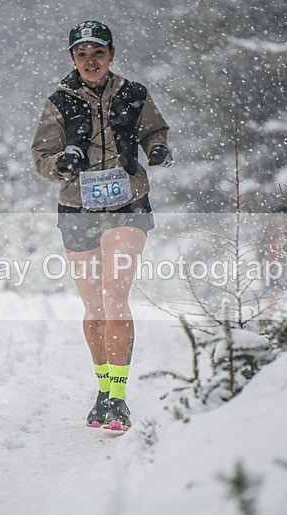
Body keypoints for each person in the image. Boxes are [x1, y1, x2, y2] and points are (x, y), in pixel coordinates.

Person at [31, 20, 172, 431]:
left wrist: (157, 148)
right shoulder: (58, 102)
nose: (90, 61)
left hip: (127, 202)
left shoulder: (134, 94)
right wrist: (62, 164)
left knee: (114, 293)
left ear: (111, 54)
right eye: (82, 54)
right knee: (93, 306)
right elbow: (41, 159)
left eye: (98, 53)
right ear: (72, 58)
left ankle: (119, 399)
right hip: (78, 207)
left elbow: (155, 131)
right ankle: (104, 390)